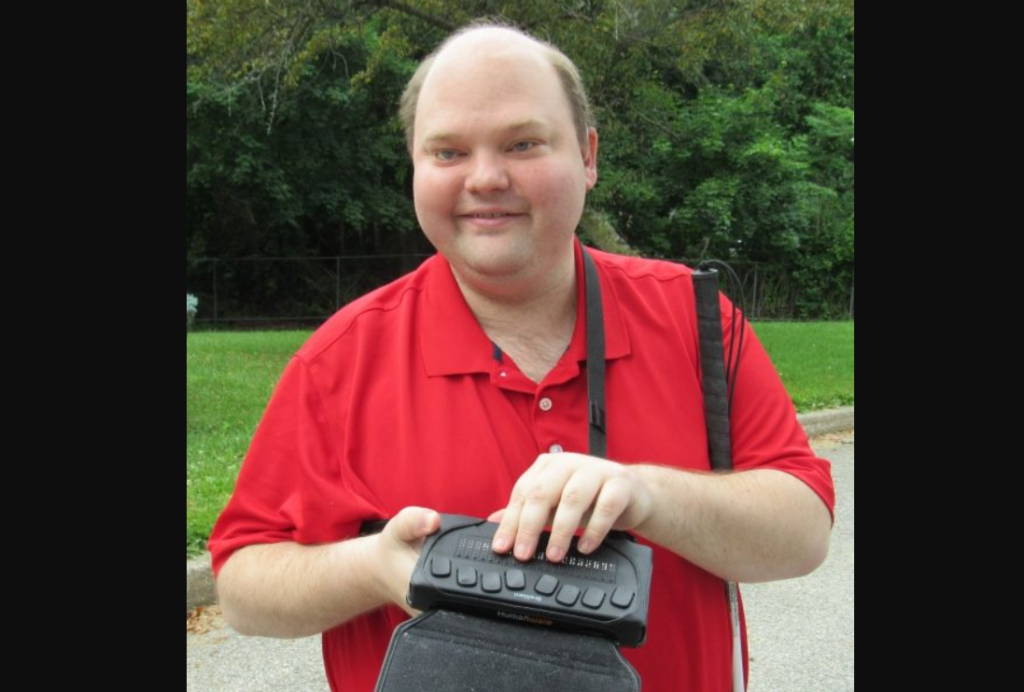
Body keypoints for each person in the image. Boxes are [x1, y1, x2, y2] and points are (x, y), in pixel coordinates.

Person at [209, 20, 835, 692]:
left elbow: (802, 533)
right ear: (414, 167)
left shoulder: (696, 319)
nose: (485, 177)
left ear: (589, 155)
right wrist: (376, 568)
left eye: (523, 143)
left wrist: (647, 496)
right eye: (447, 152)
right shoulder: (338, 363)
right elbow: (244, 588)